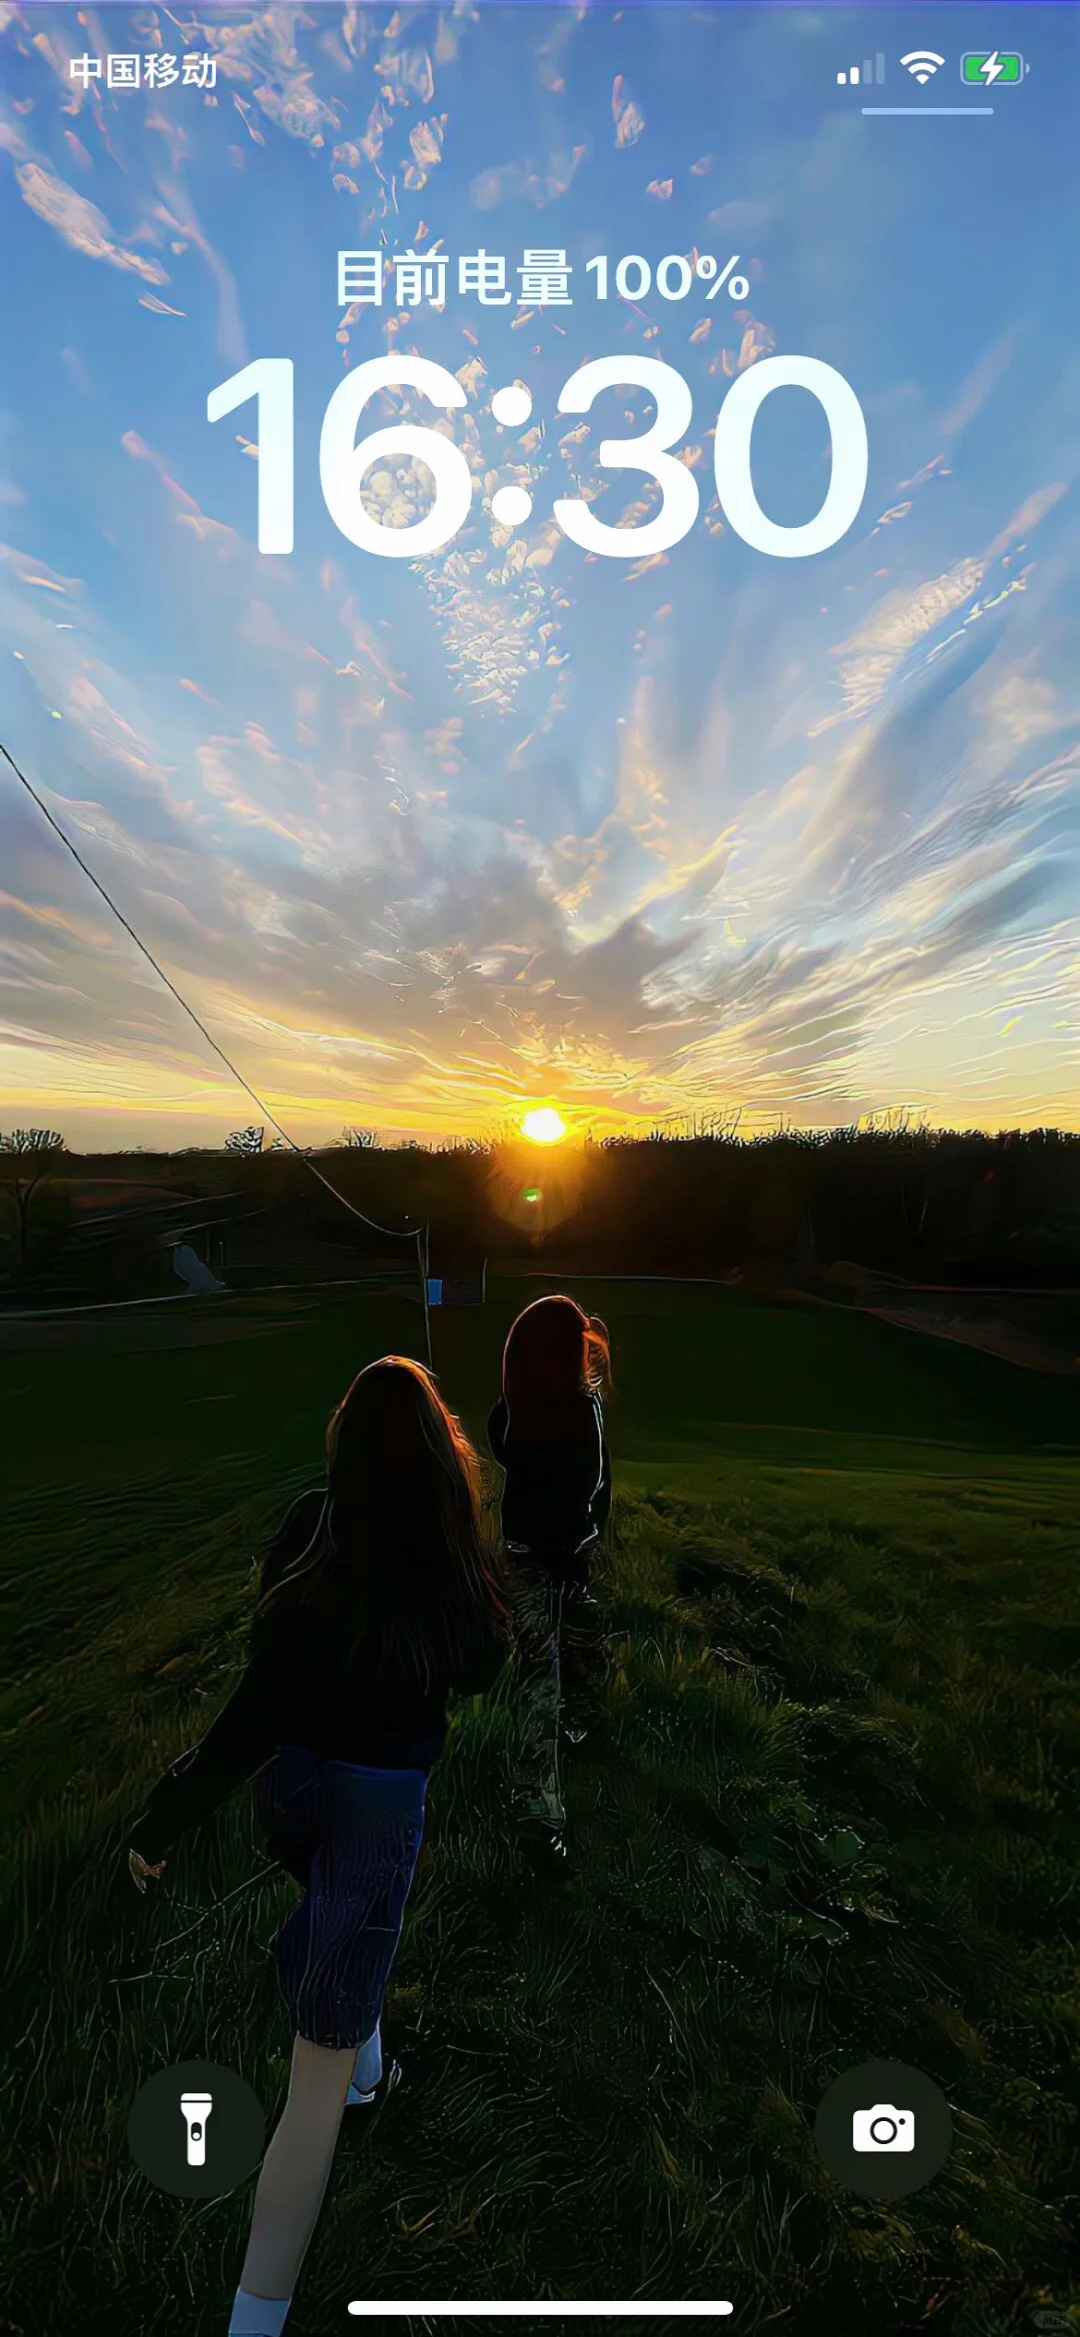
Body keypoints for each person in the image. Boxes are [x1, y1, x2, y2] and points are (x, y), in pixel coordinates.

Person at [127, 1356, 508, 2337]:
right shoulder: (442, 1542)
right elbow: (481, 1666)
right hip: (377, 1809)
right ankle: (254, 2322)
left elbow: (256, 1702)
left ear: (342, 1447)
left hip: (289, 1793)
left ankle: (367, 2052)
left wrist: (169, 1814)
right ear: (436, 1457)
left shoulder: (309, 1525)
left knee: (343, 1926)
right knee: (312, 2088)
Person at [486, 1295, 612, 1846]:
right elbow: (593, 1480)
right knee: (556, 1656)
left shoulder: (512, 1412)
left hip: (523, 1549)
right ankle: (541, 1806)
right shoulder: (582, 1411)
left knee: (542, 1659)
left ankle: (554, 1759)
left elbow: (504, 1452)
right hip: (567, 1549)